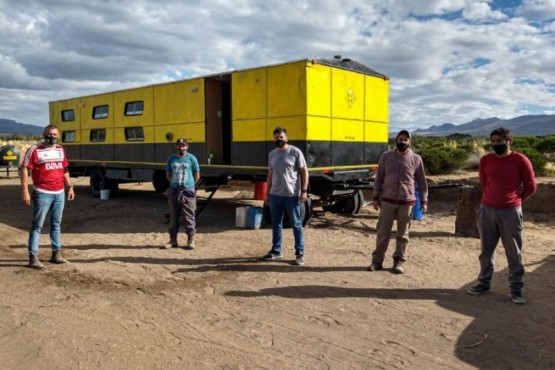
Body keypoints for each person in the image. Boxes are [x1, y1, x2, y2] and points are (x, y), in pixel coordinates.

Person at [467, 127, 537, 304]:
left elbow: (531, 186)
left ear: (509, 142)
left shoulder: (520, 160)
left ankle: (516, 289)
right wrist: (491, 197)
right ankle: (483, 283)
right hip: (487, 210)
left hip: (510, 212)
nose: (496, 144)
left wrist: (515, 199)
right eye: (494, 141)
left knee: (514, 252)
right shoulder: (486, 160)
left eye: (500, 141)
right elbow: (484, 182)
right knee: (486, 251)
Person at [368, 130, 428, 274]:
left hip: (407, 202)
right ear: (396, 140)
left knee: (403, 234)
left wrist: (424, 200)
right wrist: (376, 197)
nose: (403, 142)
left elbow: (422, 181)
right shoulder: (386, 157)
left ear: (410, 142)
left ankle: (399, 261)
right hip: (387, 201)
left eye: (406, 140)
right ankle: (377, 261)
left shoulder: (416, 159)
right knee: (383, 232)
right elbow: (379, 179)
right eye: (400, 139)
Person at [20, 124, 75, 269]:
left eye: (55, 134)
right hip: (42, 193)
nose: (52, 137)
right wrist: (25, 191)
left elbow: (64, 169)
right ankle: (33, 256)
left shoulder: (60, 149)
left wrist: (69, 187)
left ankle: (56, 253)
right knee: (37, 225)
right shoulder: (35, 149)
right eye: (49, 134)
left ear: (58, 135)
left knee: (56, 224)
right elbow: (24, 169)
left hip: (59, 193)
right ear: (44, 134)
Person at [262, 127, 309, 265]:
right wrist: (267, 193)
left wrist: (304, 190)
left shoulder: (295, 152)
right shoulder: (272, 154)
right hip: (276, 195)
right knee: (276, 224)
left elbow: (304, 172)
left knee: (296, 224)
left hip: (291, 195)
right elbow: (270, 175)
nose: (279, 140)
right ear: (273, 139)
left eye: (281, 137)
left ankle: (299, 253)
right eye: (276, 137)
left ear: (286, 138)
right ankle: (276, 250)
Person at [162, 138, 200, 249]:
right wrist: (174, 184)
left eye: (183, 145)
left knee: (189, 216)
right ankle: (173, 241)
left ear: (187, 146)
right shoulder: (171, 159)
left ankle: (191, 241)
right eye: (179, 145)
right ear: (176, 146)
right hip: (174, 190)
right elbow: (168, 174)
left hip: (188, 191)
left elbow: (196, 175)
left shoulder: (192, 158)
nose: (181, 147)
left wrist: (189, 185)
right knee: (174, 216)